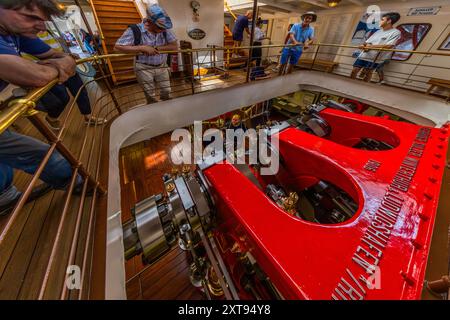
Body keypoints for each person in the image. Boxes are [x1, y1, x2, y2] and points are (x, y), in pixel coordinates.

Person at [0, 0, 86, 216]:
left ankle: (4, 195)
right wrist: (52, 69)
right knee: (44, 156)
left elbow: (61, 56)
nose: (41, 27)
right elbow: (37, 76)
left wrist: (57, 64)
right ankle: (79, 183)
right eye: (32, 17)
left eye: (43, 20)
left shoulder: (14, 34)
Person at [32, 29, 106, 129]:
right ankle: (51, 117)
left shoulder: (48, 31)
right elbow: (31, 61)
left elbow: (57, 50)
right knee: (63, 98)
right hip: (48, 71)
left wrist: (67, 56)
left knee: (80, 90)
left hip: (65, 66)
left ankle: (88, 116)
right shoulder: (24, 37)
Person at [114, 4, 177, 104]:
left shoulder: (164, 29)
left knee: (166, 91)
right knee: (150, 95)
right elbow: (117, 48)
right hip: (143, 68)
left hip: (162, 66)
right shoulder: (135, 30)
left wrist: (155, 48)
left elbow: (174, 46)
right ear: (149, 22)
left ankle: (167, 111)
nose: (163, 30)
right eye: (160, 27)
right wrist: (141, 47)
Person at [351, 12, 401, 82]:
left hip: (375, 58)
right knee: (354, 70)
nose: (380, 21)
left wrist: (370, 46)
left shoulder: (395, 32)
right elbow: (367, 42)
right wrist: (363, 45)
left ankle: (363, 88)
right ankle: (350, 83)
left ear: (389, 21)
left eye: (382, 19)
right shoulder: (378, 31)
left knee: (368, 73)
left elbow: (389, 46)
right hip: (364, 55)